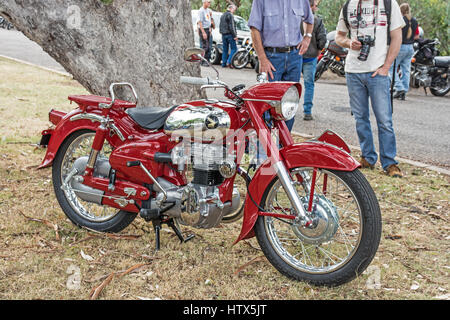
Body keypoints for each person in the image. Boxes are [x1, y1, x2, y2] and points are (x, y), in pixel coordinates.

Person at [335, 0, 405, 177]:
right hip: (353, 71)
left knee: (384, 120)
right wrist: (349, 43)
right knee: (360, 118)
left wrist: (386, 67)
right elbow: (339, 36)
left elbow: (397, 37)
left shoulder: (389, 5)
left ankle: (389, 162)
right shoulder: (348, 5)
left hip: (377, 72)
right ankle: (368, 157)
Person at [248, 0, 314, 131]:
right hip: (271, 58)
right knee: (267, 106)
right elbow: (254, 29)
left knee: (289, 105)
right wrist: (262, 58)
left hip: (295, 57)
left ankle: (283, 147)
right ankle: (266, 148)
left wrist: (307, 38)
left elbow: (309, 20)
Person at [300, 0, 327, 121]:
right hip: (310, 56)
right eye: (315, 5)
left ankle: (287, 110)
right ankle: (307, 112)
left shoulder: (295, 18)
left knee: (291, 84)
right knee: (309, 84)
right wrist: (318, 51)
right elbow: (322, 39)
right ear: (311, 6)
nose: (316, 7)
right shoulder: (317, 20)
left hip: (295, 55)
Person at [391, 3, 419, 100]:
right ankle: (404, 91)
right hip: (410, 48)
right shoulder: (414, 21)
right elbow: (417, 36)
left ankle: (399, 88)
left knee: (391, 68)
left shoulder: (400, 20)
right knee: (406, 70)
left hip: (400, 47)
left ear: (400, 10)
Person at [219, 4, 238, 68]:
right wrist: (235, 35)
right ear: (231, 8)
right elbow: (231, 26)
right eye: (234, 9)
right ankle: (229, 62)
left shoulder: (222, 15)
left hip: (223, 35)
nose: (234, 11)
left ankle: (223, 64)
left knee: (225, 50)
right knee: (234, 49)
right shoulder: (230, 15)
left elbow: (220, 25)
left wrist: (222, 32)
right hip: (230, 34)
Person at [197, 0, 215, 66]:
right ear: (204, 2)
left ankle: (207, 60)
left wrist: (210, 28)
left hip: (208, 29)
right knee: (205, 47)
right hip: (203, 29)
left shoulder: (208, 10)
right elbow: (199, 22)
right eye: (208, 2)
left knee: (209, 46)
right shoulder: (201, 11)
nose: (209, 3)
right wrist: (203, 32)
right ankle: (202, 61)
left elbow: (209, 20)